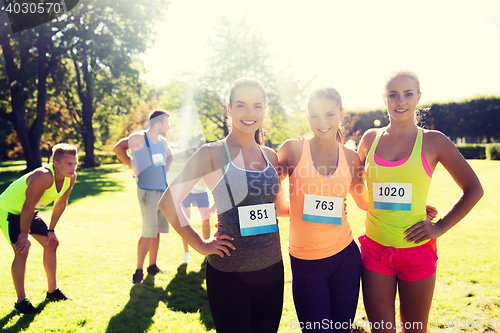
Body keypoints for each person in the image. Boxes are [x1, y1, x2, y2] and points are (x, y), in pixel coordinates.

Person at [357, 70, 483, 333]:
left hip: (417, 252)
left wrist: (439, 227)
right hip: (376, 250)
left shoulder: (434, 141)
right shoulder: (369, 139)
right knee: (381, 329)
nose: (400, 101)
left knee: (414, 329)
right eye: (393, 95)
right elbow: (361, 189)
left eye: (407, 94)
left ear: (418, 98)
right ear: (385, 100)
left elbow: (474, 189)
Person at [159, 77, 286, 333]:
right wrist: (200, 243)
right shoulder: (211, 153)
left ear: (264, 110)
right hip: (230, 273)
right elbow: (168, 202)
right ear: (229, 108)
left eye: (257, 106)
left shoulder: (270, 155)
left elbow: (278, 207)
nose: (250, 113)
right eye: (241, 105)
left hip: (272, 269)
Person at [277, 88, 368, 332]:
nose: (323, 122)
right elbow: (274, 202)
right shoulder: (292, 150)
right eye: (315, 115)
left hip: (345, 258)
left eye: (329, 114)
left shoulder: (350, 158)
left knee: (341, 329)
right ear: (306, 116)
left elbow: (364, 202)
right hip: (306, 261)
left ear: (341, 113)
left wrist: (414, 207)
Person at [0, 144, 78, 314]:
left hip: (30, 211)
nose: (73, 168)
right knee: (22, 250)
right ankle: (21, 302)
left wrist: (51, 230)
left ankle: (53, 292)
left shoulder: (70, 177)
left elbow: (60, 203)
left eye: (75, 164)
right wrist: (23, 234)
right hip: (10, 210)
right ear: (56, 164)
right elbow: (27, 205)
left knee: (51, 244)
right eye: (69, 164)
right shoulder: (43, 176)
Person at [114, 109, 174, 284]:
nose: (169, 127)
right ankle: (138, 271)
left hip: (161, 189)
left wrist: (166, 169)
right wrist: (132, 164)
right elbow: (118, 147)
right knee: (148, 231)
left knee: (156, 231)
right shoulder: (140, 138)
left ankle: (152, 265)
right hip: (147, 190)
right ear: (158, 124)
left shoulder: (162, 141)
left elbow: (169, 156)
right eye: (167, 123)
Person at [180, 179, 212, 264]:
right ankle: (186, 252)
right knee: (185, 220)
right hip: (187, 191)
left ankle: (207, 250)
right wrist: (182, 206)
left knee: (206, 218)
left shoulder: (212, 167)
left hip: (202, 192)